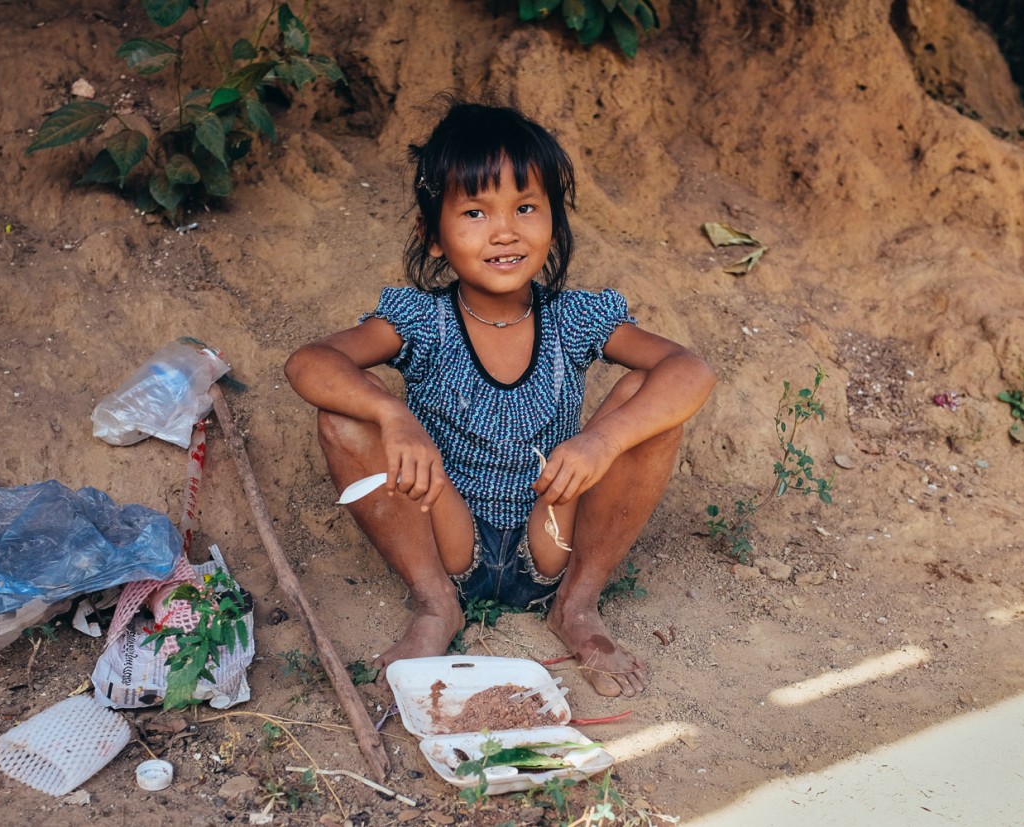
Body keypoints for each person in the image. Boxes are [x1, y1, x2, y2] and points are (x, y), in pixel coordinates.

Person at [284, 100, 716, 698]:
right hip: (448, 538)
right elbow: (310, 362)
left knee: (652, 400)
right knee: (344, 412)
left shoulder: (574, 316)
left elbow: (690, 370)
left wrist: (601, 440)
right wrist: (393, 413)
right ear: (432, 236)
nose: (505, 230)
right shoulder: (422, 319)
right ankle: (436, 606)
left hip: (551, 532)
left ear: (554, 222)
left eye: (526, 207)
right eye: (475, 212)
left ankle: (577, 605)